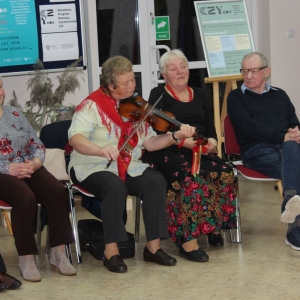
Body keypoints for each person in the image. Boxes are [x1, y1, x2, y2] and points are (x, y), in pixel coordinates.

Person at [68, 55, 196, 273]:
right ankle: (112, 251)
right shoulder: (92, 106)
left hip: (128, 164)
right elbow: (75, 139)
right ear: (110, 86)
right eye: (126, 83)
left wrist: (175, 136)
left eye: (133, 80)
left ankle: (153, 248)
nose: (132, 86)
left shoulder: (136, 106)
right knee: (114, 185)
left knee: (155, 180)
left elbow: (150, 143)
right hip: (92, 165)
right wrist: (100, 150)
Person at [142, 49, 238, 262]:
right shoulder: (157, 95)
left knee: (225, 172)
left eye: (183, 66)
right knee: (189, 177)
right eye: (173, 68)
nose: (180, 71)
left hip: (200, 149)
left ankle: (211, 226)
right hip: (168, 150)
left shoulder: (200, 93)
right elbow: (157, 131)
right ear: (164, 75)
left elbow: (210, 126)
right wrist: (189, 143)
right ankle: (187, 241)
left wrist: (211, 144)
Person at [0, 76, 76, 281]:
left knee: (58, 192)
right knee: (25, 198)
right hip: (2, 173)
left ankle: (58, 253)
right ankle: (26, 258)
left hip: (28, 165)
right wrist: (8, 168)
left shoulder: (14, 113)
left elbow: (36, 143)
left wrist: (35, 163)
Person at [227, 51, 300, 250]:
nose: (248, 76)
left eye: (253, 71)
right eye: (244, 71)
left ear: (266, 71)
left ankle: (290, 205)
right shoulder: (236, 97)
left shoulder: (280, 95)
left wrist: (295, 132)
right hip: (256, 151)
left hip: (287, 148)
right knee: (294, 165)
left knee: (292, 151)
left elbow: (294, 123)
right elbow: (248, 127)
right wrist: (282, 136)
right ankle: (294, 227)